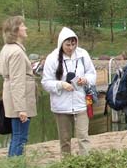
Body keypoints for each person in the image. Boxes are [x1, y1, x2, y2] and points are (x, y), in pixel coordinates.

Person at [41, 27, 97, 157]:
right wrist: (61, 85)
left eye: (73, 44)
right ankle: (67, 167)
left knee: (83, 136)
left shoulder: (83, 54)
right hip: (61, 106)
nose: (71, 47)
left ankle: (86, 164)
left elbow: (92, 74)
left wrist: (86, 80)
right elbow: (46, 82)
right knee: (65, 140)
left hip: (81, 102)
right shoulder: (52, 58)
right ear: (61, 44)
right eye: (68, 45)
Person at [0, 16, 37, 157]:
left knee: (17, 136)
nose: (25, 28)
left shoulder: (7, 49)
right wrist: (21, 109)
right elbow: (17, 81)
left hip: (13, 99)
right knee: (20, 137)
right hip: (19, 102)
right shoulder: (17, 52)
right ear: (15, 30)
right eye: (22, 25)